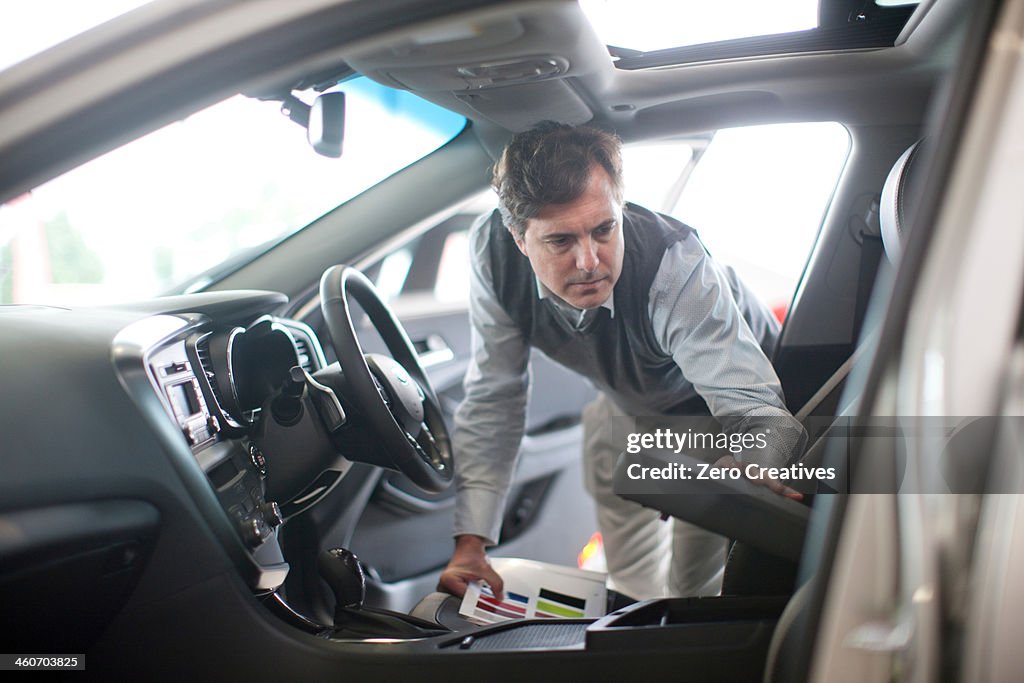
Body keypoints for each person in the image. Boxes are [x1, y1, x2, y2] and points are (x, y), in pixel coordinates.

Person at [437, 121, 805, 603]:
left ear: (620, 209)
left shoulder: (675, 267)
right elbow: (494, 396)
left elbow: (753, 407)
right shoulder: (493, 253)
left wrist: (753, 468)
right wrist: (471, 544)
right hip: (623, 401)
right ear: (519, 237)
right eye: (561, 242)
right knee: (627, 581)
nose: (589, 261)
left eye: (604, 229)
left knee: (692, 590)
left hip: (711, 413)